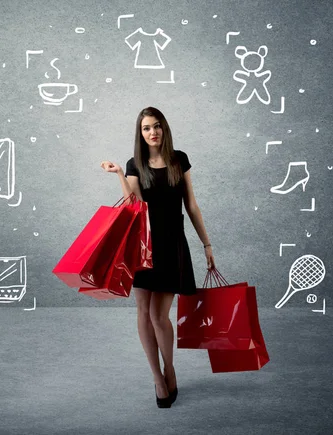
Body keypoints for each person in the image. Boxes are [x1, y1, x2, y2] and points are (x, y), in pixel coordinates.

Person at [100, 107, 216, 408]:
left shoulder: (179, 159)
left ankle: (170, 369)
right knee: (143, 313)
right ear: (140, 134)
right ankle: (157, 377)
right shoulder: (134, 164)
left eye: (156, 126)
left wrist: (206, 244)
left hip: (171, 244)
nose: (152, 132)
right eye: (146, 128)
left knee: (159, 316)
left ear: (164, 128)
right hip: (144, 246)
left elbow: (191, 205)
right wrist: (118, 176)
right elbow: (132, 204)